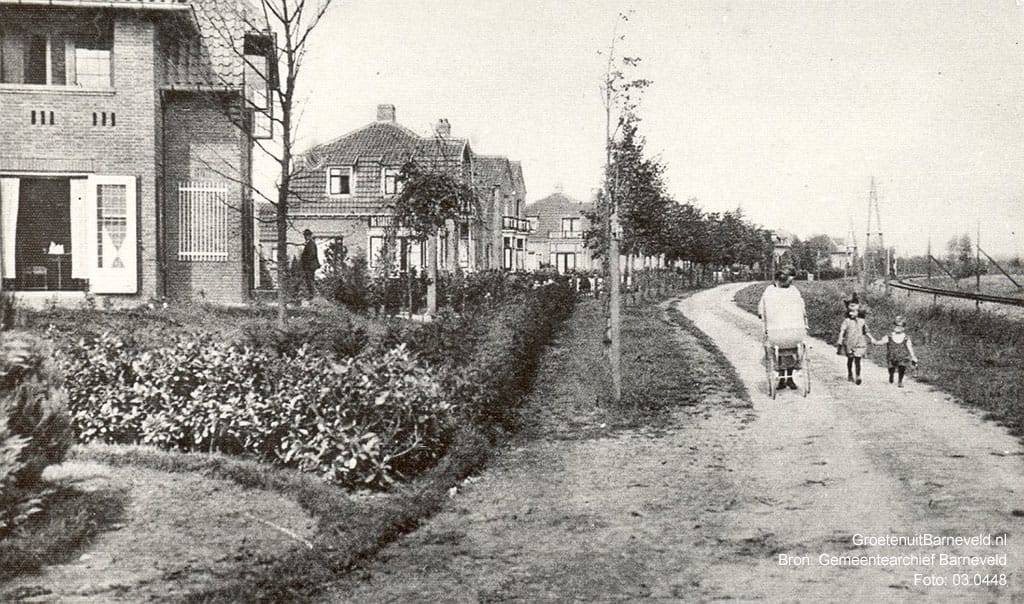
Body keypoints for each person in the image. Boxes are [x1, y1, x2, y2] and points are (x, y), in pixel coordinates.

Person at [758, 266, 807, 390]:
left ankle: (787, 378)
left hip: (783, 332)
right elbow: (802, 309)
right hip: (788, 332)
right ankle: (784, 378)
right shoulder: (777, 291)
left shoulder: (784, 291)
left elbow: (761, 311)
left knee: (782, 352)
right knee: (785, 353)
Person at [835, 296, 875, 385]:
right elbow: (842, 331)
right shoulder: (846, 321)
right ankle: (850, 373)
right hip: (849, 343)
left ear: (858, 312)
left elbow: (866, 331)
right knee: (850, 359)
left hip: (860, 342)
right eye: (850, 312)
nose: (852, 314)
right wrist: (840, 339)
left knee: (858, 359)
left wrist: (872, 338)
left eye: (854, 312)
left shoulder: (862, 321)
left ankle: (858, 376)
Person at [872, 316, 919, 387]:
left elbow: (909, 347)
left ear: (904, 328)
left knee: (902, 367)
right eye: (896, 326)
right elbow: (882, 342)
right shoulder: (889, 336)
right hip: (891, 356)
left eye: (900, 326)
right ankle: (891, 375)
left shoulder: (906, 337)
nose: (898, 328)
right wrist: (876, 342)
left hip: (902, 357)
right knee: (891, 368)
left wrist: (913, 356)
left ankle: (900, 381)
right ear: (893, 327)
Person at [300, 228, 320, 300]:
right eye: (305, 235)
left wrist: (305, 261)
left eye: (307, 235)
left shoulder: (311, 244)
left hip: (310, 266)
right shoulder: (309, 243)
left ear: (310, 236)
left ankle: (313, 296)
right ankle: (311, 295)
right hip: (309, 266)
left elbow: (312, 255)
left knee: (310, 280)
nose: (305, 237)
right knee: (309, 280)